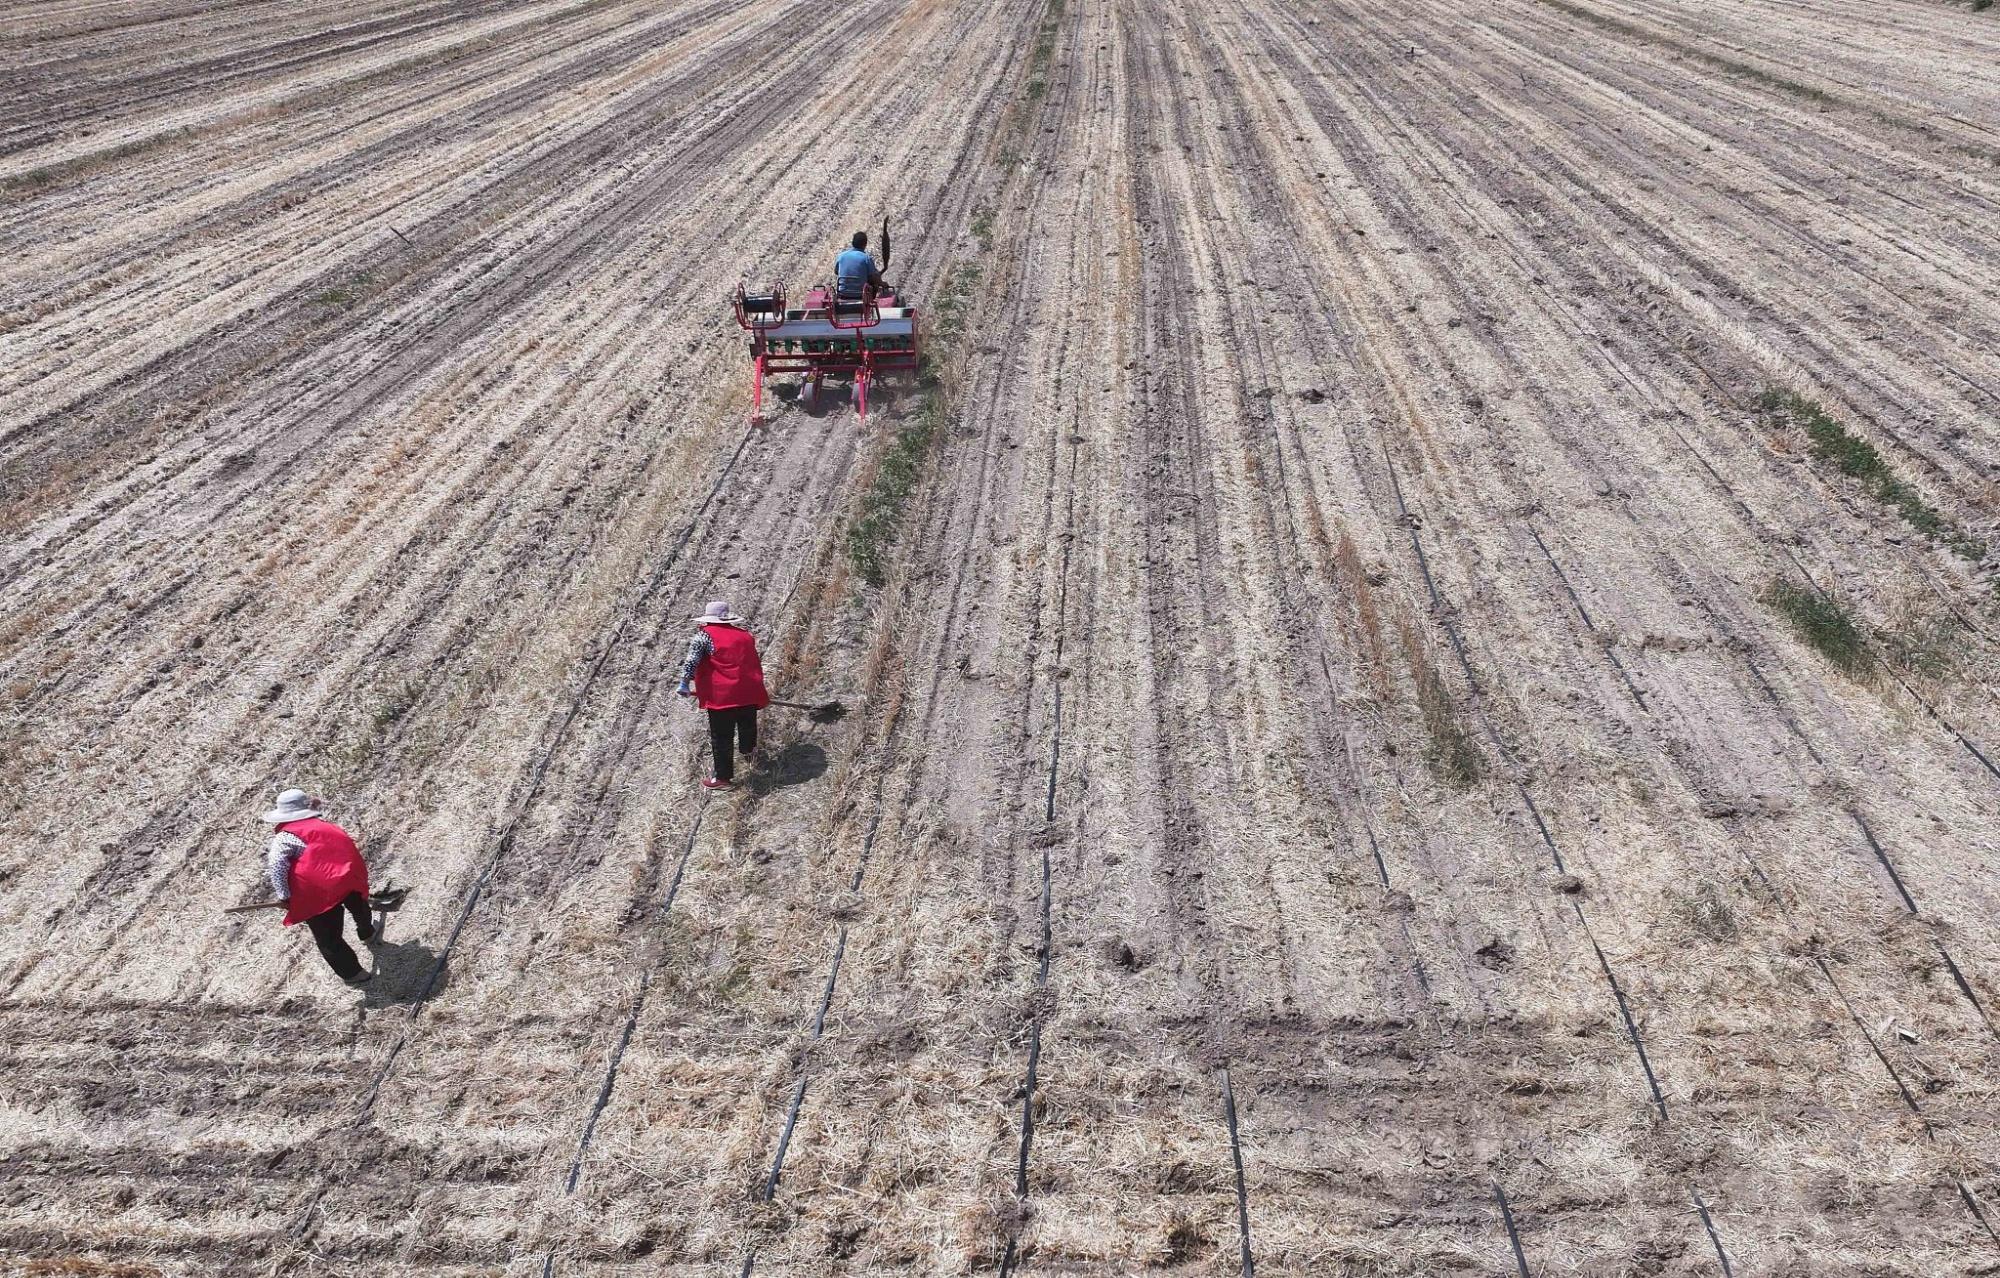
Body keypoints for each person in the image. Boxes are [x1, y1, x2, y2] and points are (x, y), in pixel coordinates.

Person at [262, 789, 377, 986]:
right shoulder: (324, 826)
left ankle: (353, 973)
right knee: (359, 906)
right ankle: (368, 933)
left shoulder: (284, 837)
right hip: (345, 878)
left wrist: (284, 896)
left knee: (328, 937)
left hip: (317, 891)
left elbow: (277, 864)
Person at [677, 600, 770, 790]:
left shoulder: (703, 637)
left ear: (708, 619)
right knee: (747, 726)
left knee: (722, 737)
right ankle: (749, 752)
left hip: (722, 696)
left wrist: (684, 683)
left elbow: (691, 662)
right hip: (748, 691)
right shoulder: (745, 635)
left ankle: (723, 778)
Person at [833, 230, 885, 301]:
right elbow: (873, 277)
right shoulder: (866, 258)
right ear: (865, 244)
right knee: (874, 285)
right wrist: (882, 283)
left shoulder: (841, 256)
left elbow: (836, 272)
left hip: (842, 293)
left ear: (852, 243)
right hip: (861, 295)